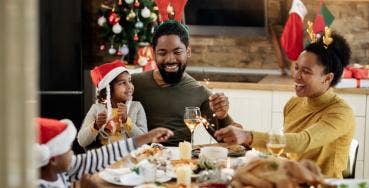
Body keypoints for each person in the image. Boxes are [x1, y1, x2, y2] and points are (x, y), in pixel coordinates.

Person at [214, 30, 355, 178]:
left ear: (327, 78)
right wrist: (233, 127)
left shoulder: (340, 112)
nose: (297, 76)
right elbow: (284, 148)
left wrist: (248, 136)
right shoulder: (294, 103)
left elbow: (302, 141)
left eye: (306, 71)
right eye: (296, 68)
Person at [132, 20, 234, 146]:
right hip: (138, 161)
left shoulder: (199, 92)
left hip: (180, 162)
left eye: (177, 52)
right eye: (162, 53)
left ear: (188, 52)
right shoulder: (132, 84)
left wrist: (223, 117)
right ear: (154, 54)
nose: (170, 59)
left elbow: (234, 142)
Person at [35, 117, 173, 187]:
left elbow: (99, 156)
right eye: (69, 149)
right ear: (53, 159)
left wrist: (147, 137)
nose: (72, 154)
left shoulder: (60, 171)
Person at [78, 60, 148, 150]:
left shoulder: (137, 107)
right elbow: (82, 141)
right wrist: (95, 125)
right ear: (108, 89)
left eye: (129, 81)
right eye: (123, 83)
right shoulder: (96, 109)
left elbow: (144, 140)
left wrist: (126, 121)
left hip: (131, 157)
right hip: (105, 158)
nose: (129, 86)